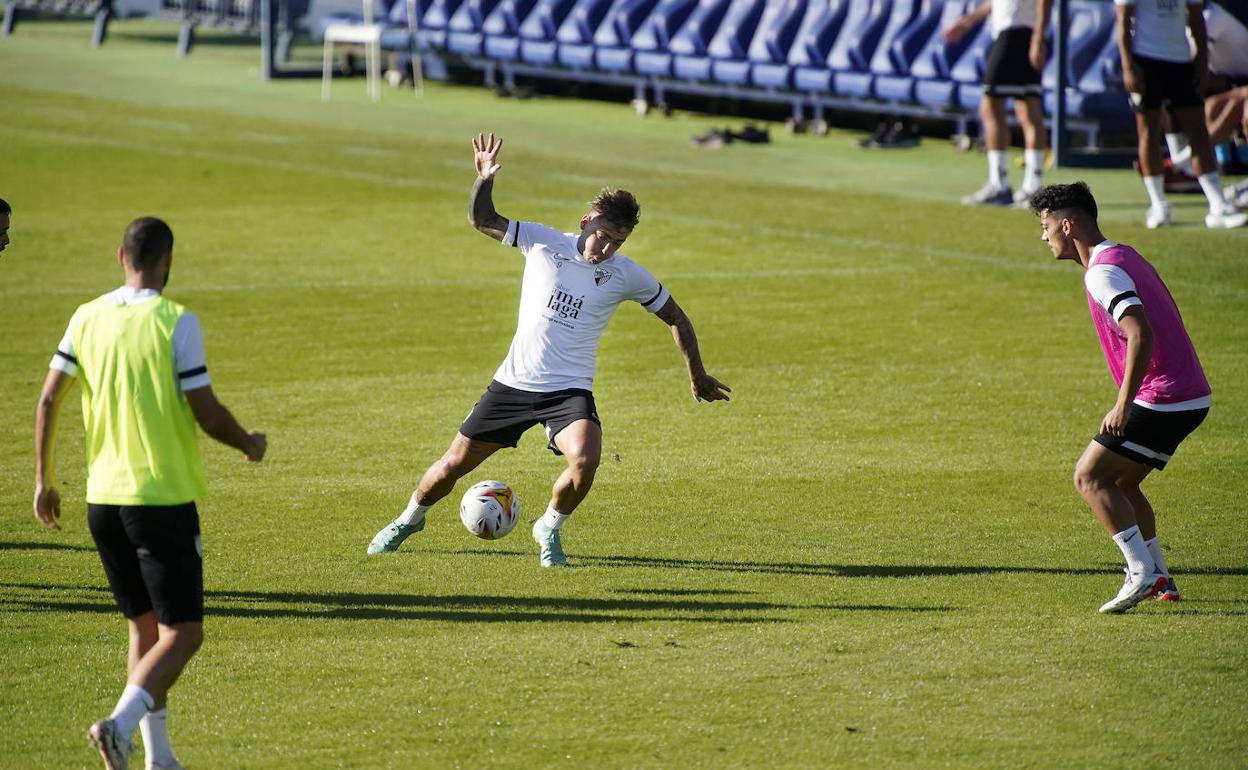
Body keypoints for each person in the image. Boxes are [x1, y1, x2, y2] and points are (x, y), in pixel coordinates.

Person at [367, 132, 731, 567]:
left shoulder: (627, 275)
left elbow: (677, 317)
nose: (609, 248)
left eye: (619, 242)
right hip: (513, 384)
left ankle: (549, 526)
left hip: (567, 390)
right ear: (586, 222)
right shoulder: (541, 241)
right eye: (604, 237)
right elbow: (482, 219)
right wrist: (484, 179)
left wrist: (698, 375)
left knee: (587, 458)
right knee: (450, 467)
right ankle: (410, 518)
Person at [34, 217, 267, 769]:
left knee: (145, 630)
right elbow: (205, 410)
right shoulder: (174, 321)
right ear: (167, 262)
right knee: (184, 635)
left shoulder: (85, 317)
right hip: (158, 500)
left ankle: (159, 758)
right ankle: (118, 726)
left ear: (121, 257)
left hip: (102, 502)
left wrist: (43, 479)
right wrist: (247, 443)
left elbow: (48, 399)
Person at [1029, 182, 1210, 614]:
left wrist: (1124, 403)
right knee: (1123, 482)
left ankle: (1141, 573)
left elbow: (1139, 333)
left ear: (1067, 224)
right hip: (1188, 393)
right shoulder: (1124, 254)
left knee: (1089, 478)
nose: (1043, 236)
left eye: (1045, 225)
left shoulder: (1102, 272)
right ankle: (1160, 576)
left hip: (1163, 396)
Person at [1115, 0, 1247, 228]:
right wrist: (1128, 67)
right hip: (1145, 60)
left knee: (1198, 131)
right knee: (1149, 131)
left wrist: (1201, 63)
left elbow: (1196, 18)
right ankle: (1158, 205)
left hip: (1181, 61)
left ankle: (1217, 206)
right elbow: (1123, 20)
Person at [944, 0, 1048, 207]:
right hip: (1014, 33)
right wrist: (969, 20)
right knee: (1025, 109)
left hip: (1015, 34)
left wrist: (1038, 37)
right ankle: (1028, 187)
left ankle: (1003, 185)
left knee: (993, 108)